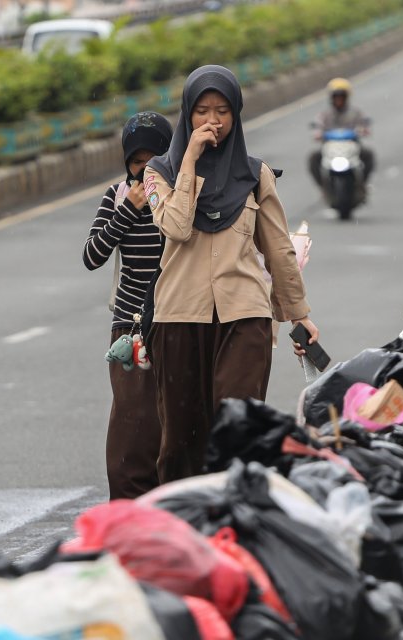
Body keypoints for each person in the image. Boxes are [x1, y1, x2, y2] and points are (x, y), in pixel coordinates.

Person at [144, 65, 319, 483]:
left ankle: (237, 519)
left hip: (245, 317)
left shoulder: (255, 175)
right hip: (179, 319)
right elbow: (176, 226)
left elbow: (278, 248)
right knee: (181, 439)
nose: (212, 121)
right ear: (186, 116)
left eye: (222, 110)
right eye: (202, 111)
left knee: (237, 425)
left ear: (236, 115)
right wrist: (189, 161)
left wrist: (298, 314)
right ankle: (186, 526)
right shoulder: (158, 173)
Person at [82, 111, 174, 499]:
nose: (146, 172)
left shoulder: (183, 197)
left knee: (171, 418)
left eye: (155, 162)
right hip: (132, 326)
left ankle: (168, 502)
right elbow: (92, 255)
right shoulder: (118, 197)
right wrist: (129, 211)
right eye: (138, 164)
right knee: (133, 419)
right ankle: (128, 503)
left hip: (175, 319)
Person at [308, 77, 375, 185]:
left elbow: (364, 123)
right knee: (313, 159)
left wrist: (363, 130)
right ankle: (323, 186)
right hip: (330, 149)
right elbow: (318, 125)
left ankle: (362, 184)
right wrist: (318, 133)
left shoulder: (356, 112)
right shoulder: (325, 115)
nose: (339, 100)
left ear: (346, 97)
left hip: (351, 148)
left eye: (341, 97)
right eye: (336, 97)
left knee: (369, 155)